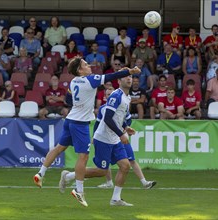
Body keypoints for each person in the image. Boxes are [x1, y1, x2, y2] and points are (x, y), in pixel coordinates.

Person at [33, 57, 140, 207]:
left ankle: (41, 173)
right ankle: (79, 190)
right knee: (83, 156)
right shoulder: (90, 80)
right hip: (80, 123)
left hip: (70, 119)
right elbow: (111, 77)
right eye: (85, 64)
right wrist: (129, 71)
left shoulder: (74, 81)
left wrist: (80, 103)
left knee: (59, 148)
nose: (88, 65)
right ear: (79, 70)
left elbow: (69, 99)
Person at [59, 75, 138, 206]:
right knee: (102, 171)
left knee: (125, 166)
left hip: (114, 139)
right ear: (119, 81)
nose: (129, 79)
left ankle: (115, 199)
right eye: (125, 77)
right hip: (103, 139)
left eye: (130, 77)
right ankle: (68, 176)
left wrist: (125, 127)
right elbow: (107, 118)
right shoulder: (116, 96)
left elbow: (118, 117)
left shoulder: (127, 97)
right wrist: (121, 134)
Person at [94, 86, 155, 189]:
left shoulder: (122, 105)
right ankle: (109, 182)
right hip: (107, 138)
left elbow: (128, 119)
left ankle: (144, 182)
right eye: (108, 95)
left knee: (130, 159)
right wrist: (94, 135)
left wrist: (125, 128)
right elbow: (98, 123)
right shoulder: (103, 109)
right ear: (105, 96)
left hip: (120, 137)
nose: (110, 97)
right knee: (105, 165)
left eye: (111, 94)